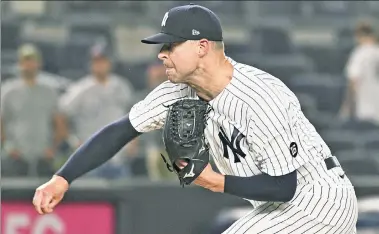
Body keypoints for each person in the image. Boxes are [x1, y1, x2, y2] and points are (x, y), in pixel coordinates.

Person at [33, 4, 358, 233]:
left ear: (202, 46)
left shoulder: (259, 97)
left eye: (171, 46)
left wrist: (214, 181)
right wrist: (63, 178)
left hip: (316, 201)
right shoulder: (178, 90)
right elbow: (121, 131)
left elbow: (283, 186)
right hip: (276, 209)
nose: (162, 54)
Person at [58, 43, 135, 179]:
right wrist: (73, 141)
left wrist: (133, 141)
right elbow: (61, 114)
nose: (100, 65)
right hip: (91, 159)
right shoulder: (80, 89)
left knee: (123, 197)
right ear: (90, 64)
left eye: (103, 61)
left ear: (110, 63)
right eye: (96, 61)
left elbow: (134, 115)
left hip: (118, 157)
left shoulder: (122, 86)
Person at [1, 43, 67, 177]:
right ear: (19, 63)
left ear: (39, 63)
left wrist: (53, 149)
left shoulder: (49, 91)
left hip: (44, 155)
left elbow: (59, 123)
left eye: (32, 60)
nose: (28, 65)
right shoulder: (8, 91)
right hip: (16, 155)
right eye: (25, 61)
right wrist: (8, 147)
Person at [339, 22, 379, 125]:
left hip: (366, 112)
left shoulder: (359, 54)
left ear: (359, 36)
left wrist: (347, 109)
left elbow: (353, 82)